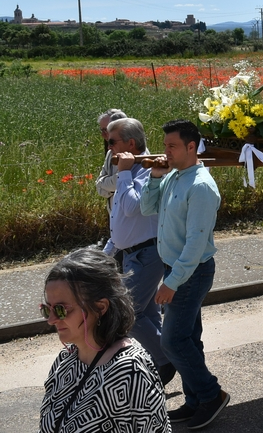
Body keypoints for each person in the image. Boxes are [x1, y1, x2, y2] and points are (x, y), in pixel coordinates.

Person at [140, 119, 229, 429]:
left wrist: (172, 282)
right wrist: (154, 175)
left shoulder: (201, 186)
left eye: (172, 146)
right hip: (177, 268)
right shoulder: (174, 177)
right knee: (189, 338)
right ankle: (194, 402)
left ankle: (211, 395)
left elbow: (195, 243)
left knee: (172, 341)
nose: (166, 152)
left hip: (190, 273)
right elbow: (147, 207)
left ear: (192, 147)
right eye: (165, 146)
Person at [40, 249, 169, 433]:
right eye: (47, 309)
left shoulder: (130, 370)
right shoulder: (65, 360)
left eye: (61, 309)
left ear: (100, 307)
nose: (51, 319)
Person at [103, 118, 176, 385]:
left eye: (112, 141)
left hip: (147, 252)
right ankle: (159, 360)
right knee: (145, 313)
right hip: (130, 252)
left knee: (127, 314)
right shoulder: (130, 167)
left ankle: (167, 359)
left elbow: (133, 208)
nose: (108, 147)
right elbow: (120, 219)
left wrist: (123, 173)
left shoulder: (148, 168)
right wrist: (108, 251)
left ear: (130, 143)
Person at [95, 108, 127, 268]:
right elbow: (99, 186)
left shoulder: (132, 153)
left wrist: (107, 184)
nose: (103, 135)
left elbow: (122, 181)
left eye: (105, 130)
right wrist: (109, 184)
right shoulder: (110, 153)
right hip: (114, 219)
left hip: (127, 224)